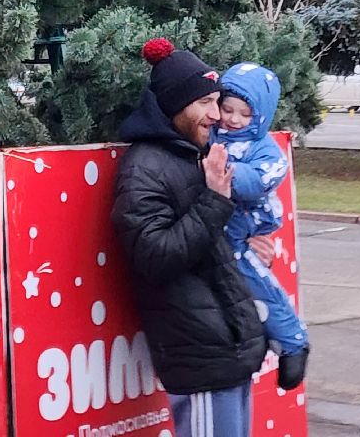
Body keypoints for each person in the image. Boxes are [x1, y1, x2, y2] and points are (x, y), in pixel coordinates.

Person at [112, 38, 267, 437]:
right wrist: (215, 199)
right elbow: (155, 256)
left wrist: (243, 236)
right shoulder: (144, 167)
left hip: (227, 353)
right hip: (202, 360)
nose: (217, 115)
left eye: (218, 102)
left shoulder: (188, 156)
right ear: (175, 104)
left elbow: (206, 246)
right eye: (206, 103)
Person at [214, 63, 309, 390]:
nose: (234, 119)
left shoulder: (263, 147)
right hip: (221, 217)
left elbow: (261, 179)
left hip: (247, 216)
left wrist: (223, 175)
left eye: (244, 114)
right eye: (227, 109)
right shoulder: (212, 132)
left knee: (252, 276)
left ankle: (292, 339)